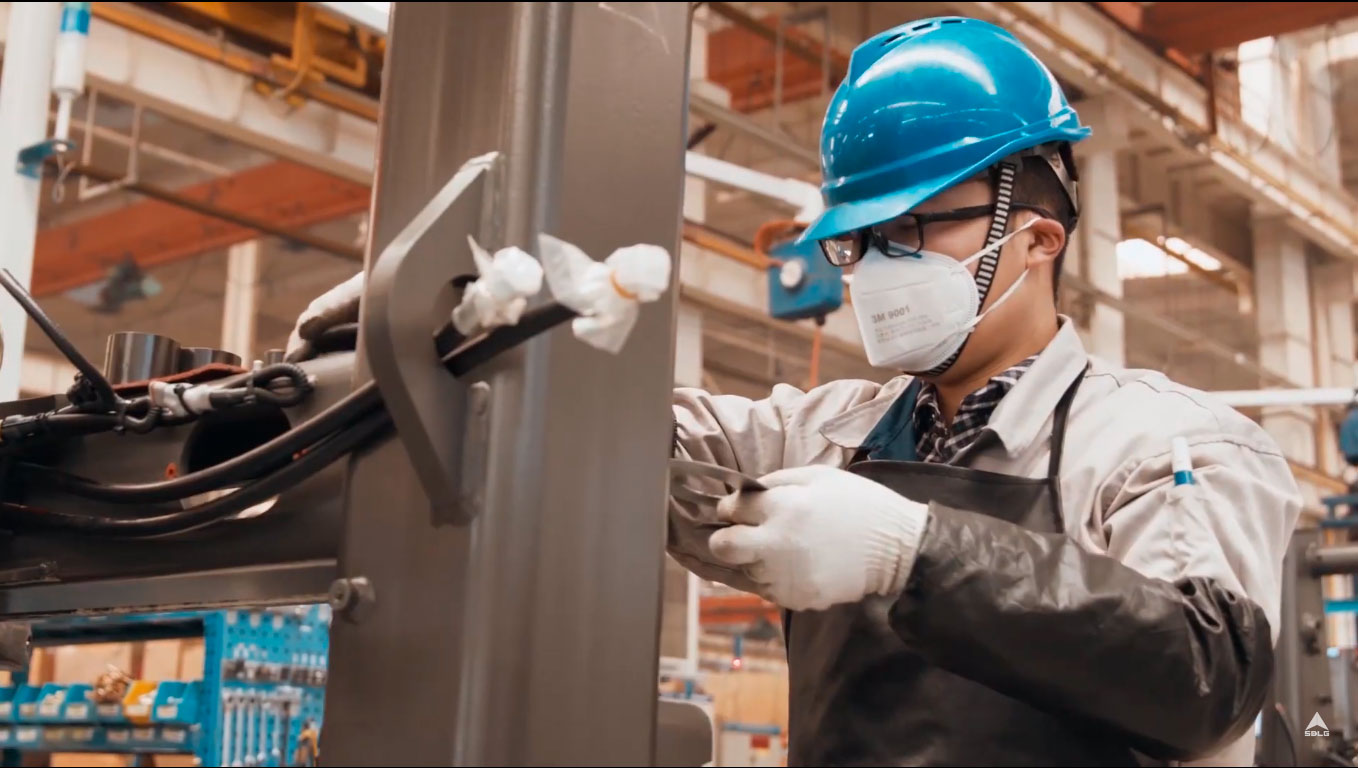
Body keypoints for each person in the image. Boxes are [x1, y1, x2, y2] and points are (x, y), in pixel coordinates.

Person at [290, 16, 1300, 766]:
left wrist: (912, 552)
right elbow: (604, 432)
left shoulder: (1162, 443)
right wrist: (460, 328)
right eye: (857, 240)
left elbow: (1203, 672)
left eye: (911, 229)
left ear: (1035, 237)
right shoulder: (816, 435)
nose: (872, 264)